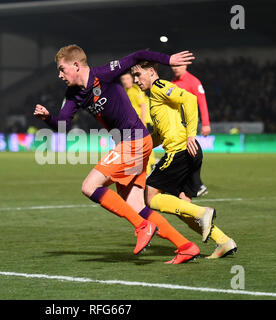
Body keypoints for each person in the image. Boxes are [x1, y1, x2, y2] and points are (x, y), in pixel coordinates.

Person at [34, 44, 202, 264]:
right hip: (133, 144)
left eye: (61, 69)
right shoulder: (73, 94)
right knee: (136, 207)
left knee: (89, 186)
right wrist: (48, 118)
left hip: (134, 141)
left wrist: (168, 59)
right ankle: (186, 246)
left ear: (76, 65)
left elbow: (139, 55)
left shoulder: (104, 73)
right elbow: (63, 126)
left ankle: (143, 227)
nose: (59, 75)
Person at [131, 61, 237, 259]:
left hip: (179, 152)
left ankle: (202, 212)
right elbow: (161, 135)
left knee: (150, 198)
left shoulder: (159, 86)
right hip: (188, 153)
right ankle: (223, 241)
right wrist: (141, 145)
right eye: (133, 76)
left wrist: (190, 134)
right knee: (181, 206)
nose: (136, 80)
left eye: (138, 75)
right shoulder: (154, 97)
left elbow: (189, 99)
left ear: (151, 72)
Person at [171, 65, 209, 196]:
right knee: (184, 153)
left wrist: (206, 124)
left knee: (189, 152)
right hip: (176, 123)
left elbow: (202, 102)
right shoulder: (173, 83)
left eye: (178, 66)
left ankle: (196, 184)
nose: (175, 68)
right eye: (173, 66)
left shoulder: (194, 81)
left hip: (189, 123)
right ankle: (195, 184)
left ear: (185, 66)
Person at [120, 73, 156, 175]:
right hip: (134, 123)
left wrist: (142, 122)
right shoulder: (126, 91)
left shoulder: (136, 90)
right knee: (142, 145)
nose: (125, 81)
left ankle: (149, 167)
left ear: (131, 79)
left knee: (142, 145)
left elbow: (143, 106)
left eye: (127, 78)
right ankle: (151, 163)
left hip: (142, 121)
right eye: (123, 79)